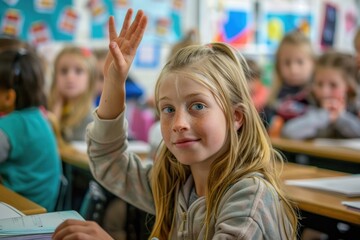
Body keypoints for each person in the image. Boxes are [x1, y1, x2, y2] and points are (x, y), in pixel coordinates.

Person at [53, 9, 298, 239]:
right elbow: (108, 161)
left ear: (236, 117)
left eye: (198, 106)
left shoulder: (250, 198)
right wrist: (114, 82)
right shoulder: (177, 184)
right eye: (168, 109)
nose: (178, 123)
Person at [0, 48, 61, 212]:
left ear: (8, 97)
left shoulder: (12, 125)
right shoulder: (38, 116)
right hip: (41, 207)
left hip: (20, 213)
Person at [282, 51, 360, 139]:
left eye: (333, 85)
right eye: (319, 84)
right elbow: (289, 132)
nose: (324, 91)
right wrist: (326, 115)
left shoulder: (356, 108)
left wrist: (339, 117)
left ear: (348, 87)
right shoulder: (306, 103)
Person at [265, 31, 315, 136]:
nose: (293, 69)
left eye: (300, 62)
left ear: (312, 63)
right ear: (278, 65)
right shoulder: (274, 98)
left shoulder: (316, 95)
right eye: (287, 63)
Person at [48, 46, 97, 142]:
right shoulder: (47, 108)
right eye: (64, 71)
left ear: (90, 78)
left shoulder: (92, 118)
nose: (70, 77)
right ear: (55, 77)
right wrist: (56, 111)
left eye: (78, 71)